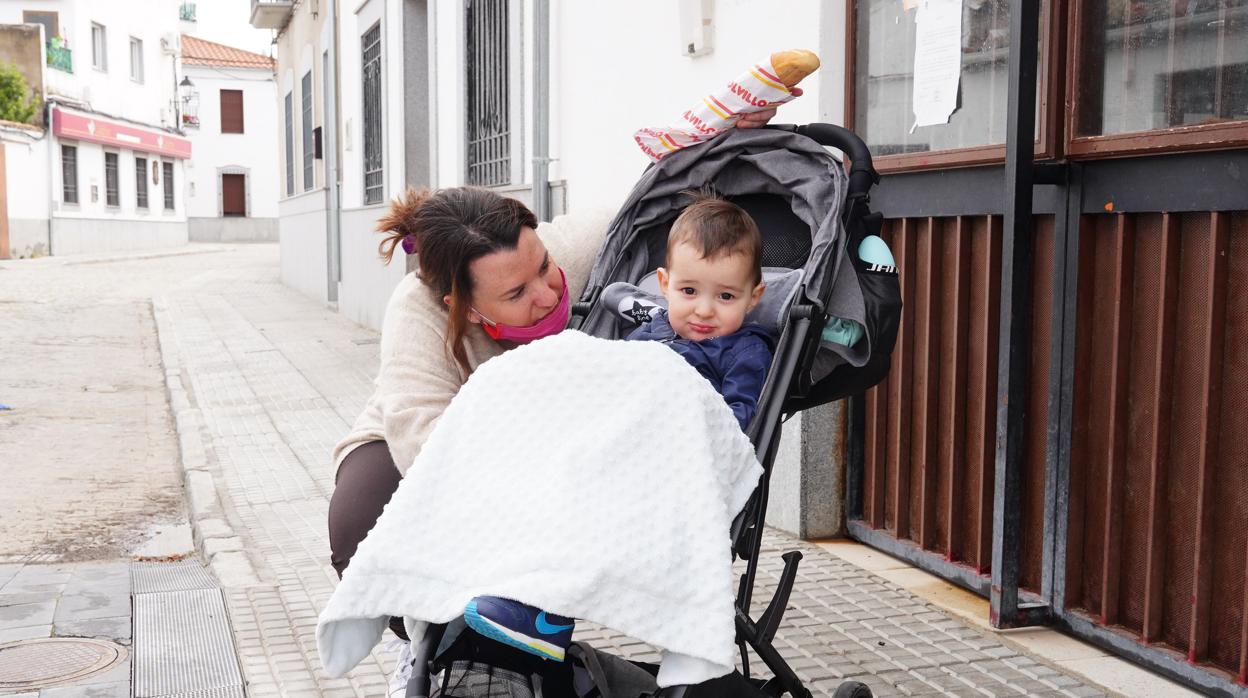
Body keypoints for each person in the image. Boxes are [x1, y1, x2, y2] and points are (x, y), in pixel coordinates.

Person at [326, 104, 790, 697]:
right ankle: (432, 641)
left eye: (543, 266)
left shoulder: (578, 246)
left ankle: (527, 654)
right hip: (430, 439)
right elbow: (423, 437)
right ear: (464, 307)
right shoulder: (416, 313)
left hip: (566, 437)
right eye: (518, 292)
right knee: (361, 522)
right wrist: (527, 493)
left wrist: (732, 136)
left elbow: (674, 204)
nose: (548, 293)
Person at [625, 193, 773, 430]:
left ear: (752, 298)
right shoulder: (650, 332)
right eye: (689, 290)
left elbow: (738, 422)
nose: (704, 311)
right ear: (665, 284)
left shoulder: (744, 352)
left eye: (726, 296)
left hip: (686, 440)